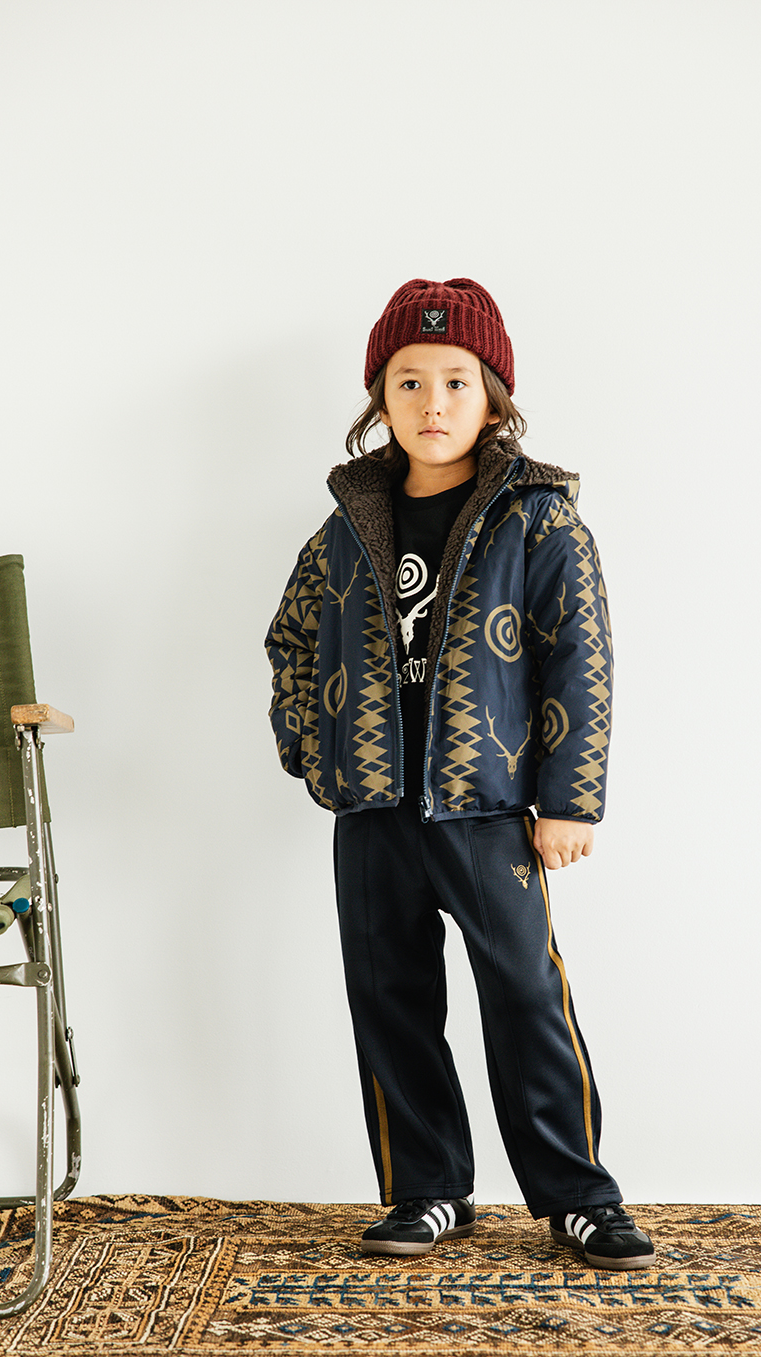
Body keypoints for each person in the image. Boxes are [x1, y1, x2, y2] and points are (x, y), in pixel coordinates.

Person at [266, 277, 654, 1272]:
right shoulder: (346, 526)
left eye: (455, 381)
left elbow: (582, 659)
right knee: (388, 994)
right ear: (380, 399)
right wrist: (313, 751)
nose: (431, 403)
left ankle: (578, 1197)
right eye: (408, 382)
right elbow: (292, 640)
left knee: (524, 992)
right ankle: (428, 1188)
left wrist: (570, 800)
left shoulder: (539, 520)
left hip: (489, 806)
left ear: (492, 399)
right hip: (373, 807)